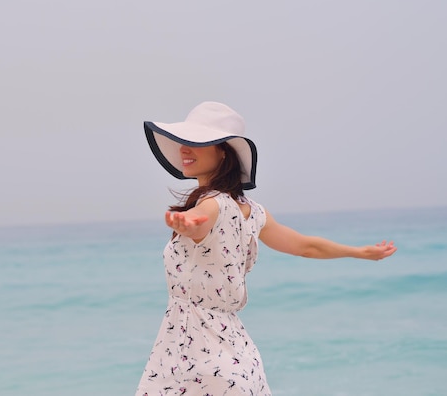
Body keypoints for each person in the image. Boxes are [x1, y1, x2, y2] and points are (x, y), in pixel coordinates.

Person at [135, 101, 397, 396]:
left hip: (193, 354)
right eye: (183, 141)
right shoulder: (252, 211)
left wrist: (191, 225)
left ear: (223, 151)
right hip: (234, 351)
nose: (184, 149)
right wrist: (359, 252)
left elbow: (203, 219)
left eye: (196, 142)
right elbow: (305, 246)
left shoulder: (210, 204)